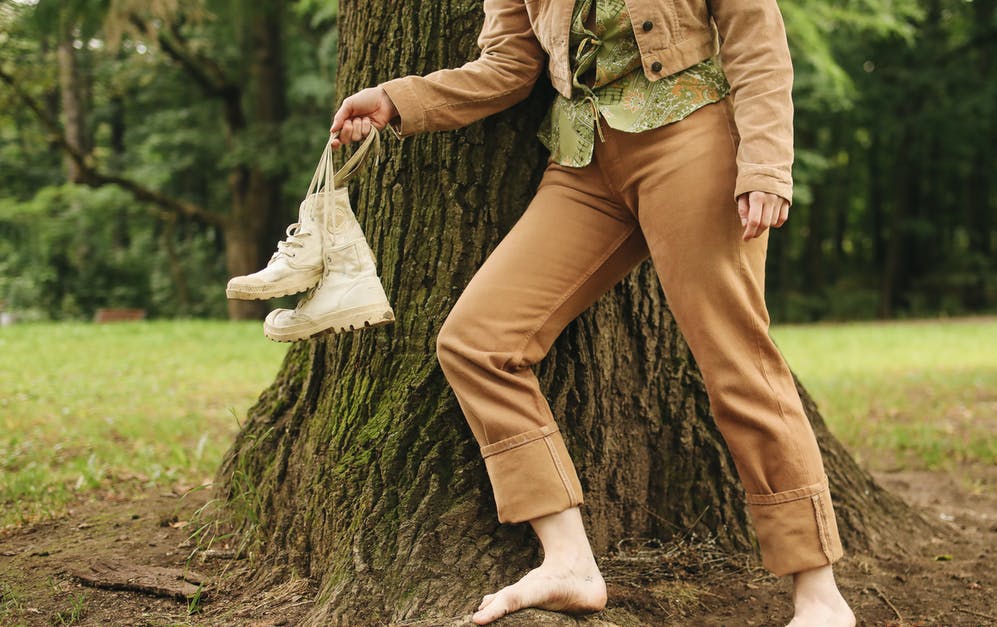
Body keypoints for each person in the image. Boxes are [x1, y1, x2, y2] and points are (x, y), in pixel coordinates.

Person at [330, 0, 856, 625]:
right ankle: (569, 563)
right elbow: (508, 66)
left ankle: (820, 595)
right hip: (584, 162)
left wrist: (766, 164)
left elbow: (755, 34)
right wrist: (400, 99)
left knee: (737, 362)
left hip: (694, 141)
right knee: (476, 341)